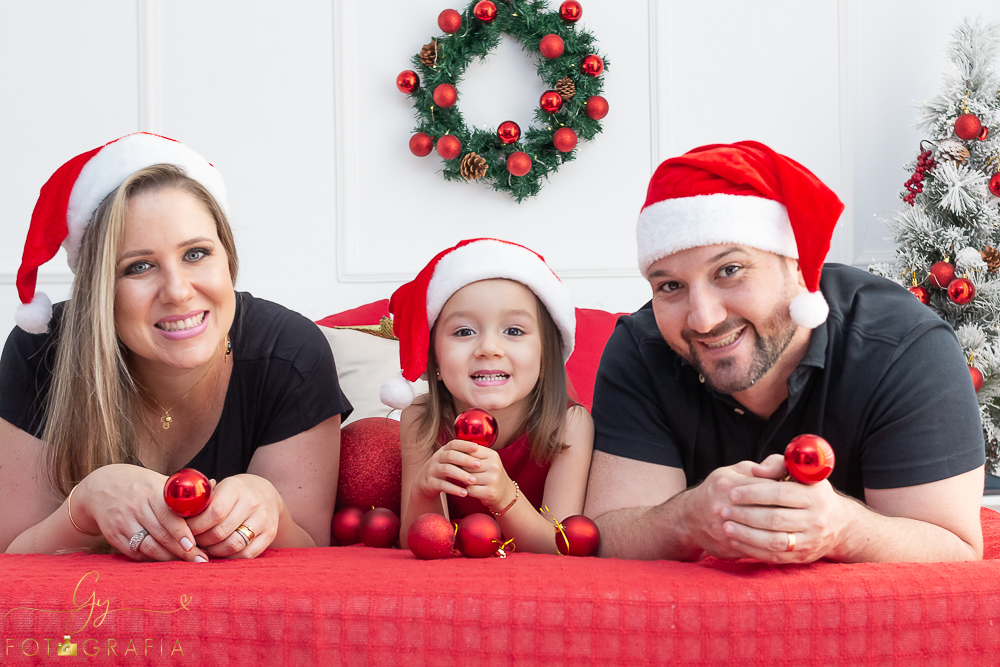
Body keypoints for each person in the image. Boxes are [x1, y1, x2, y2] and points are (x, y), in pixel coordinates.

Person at [585, 141, 985, 564]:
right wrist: (685, 518)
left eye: (729, 270)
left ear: (795, 267)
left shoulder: (904, 348)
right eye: (670, 286)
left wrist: (845, 529)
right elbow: (609, 531)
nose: (701, 319)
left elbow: (954, 548)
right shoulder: (641, 347)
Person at [0, 133, 351, 561]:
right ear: (99, 289)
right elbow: (11, 560)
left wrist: (272, 508)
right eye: (139, 266)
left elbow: (315, 561)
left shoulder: (290, 354)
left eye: (196, 253)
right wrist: (86, 505)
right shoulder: (40, 352)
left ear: (228, 258)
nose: (179, 291)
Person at [382, 239, 593, 554]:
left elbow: (560, 545)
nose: (489, 348)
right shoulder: (420, 418)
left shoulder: (570, 425)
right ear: (435, 359)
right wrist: (422, 493)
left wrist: (505, 497)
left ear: (547, 355)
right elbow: (418, 539)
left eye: (514, 331)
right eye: (464, 332)